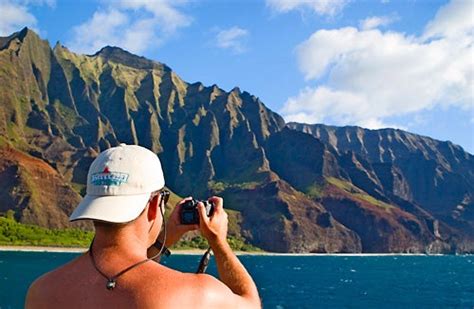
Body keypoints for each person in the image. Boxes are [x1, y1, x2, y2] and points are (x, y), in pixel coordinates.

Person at [25, 144, 260, 308]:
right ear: (156, 203)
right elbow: (249, 302)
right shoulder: (195, 293)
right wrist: (218, 242)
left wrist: (160, 242)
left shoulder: (42, 291)